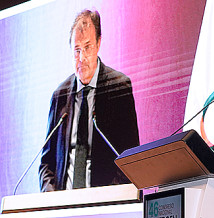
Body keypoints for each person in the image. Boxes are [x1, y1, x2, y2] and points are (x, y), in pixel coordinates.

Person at [39, 9, 139, 192]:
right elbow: (46, 163)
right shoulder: (59, 95)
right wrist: (50, 196)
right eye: (76, 50)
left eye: (87, 47)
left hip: (104, 203)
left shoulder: (119, 87)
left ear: (99, 43)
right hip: (63, 205)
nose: (82, 58)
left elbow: (129, 157)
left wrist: (109, 197)